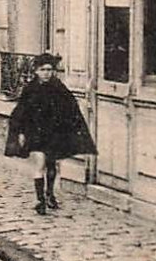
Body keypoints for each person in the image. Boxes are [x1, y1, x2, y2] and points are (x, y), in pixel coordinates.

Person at [5, 53, 95, 215]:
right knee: (40, 164)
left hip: (53, 133)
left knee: (52, 164)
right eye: (43, 70)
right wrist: (20, 132)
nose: (47, 73)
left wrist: (67, 128)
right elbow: (21, 112)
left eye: (49, 69)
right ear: (36, 71)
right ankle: (40, 200)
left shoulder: (58, 87)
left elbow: (71, 107)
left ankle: (50, 193)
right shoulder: (30, 89)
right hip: (36, 133)